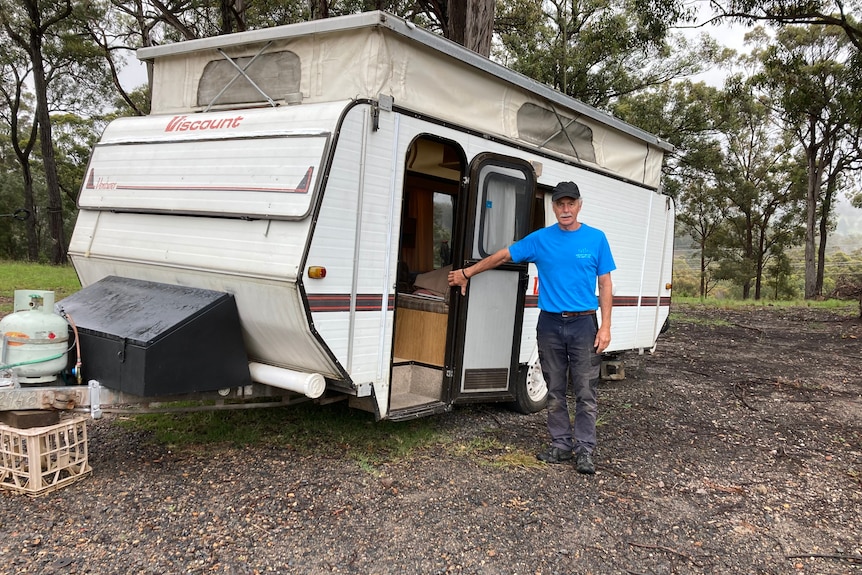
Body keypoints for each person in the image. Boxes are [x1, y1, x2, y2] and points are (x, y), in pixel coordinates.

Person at [447, 181, 615, 475]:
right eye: (560, 204)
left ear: (579, 205)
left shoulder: (596, 239)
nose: (565, 209)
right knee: (555, 389)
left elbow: (605, 284)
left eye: (570, 204)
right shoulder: (541, 239)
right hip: (550, 322)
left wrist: (606, 327)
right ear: (553, 207)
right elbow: (502, 256)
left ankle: (585, 450)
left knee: (586, 390)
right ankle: (561, 445)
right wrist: (467, 273)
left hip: (584, 323)